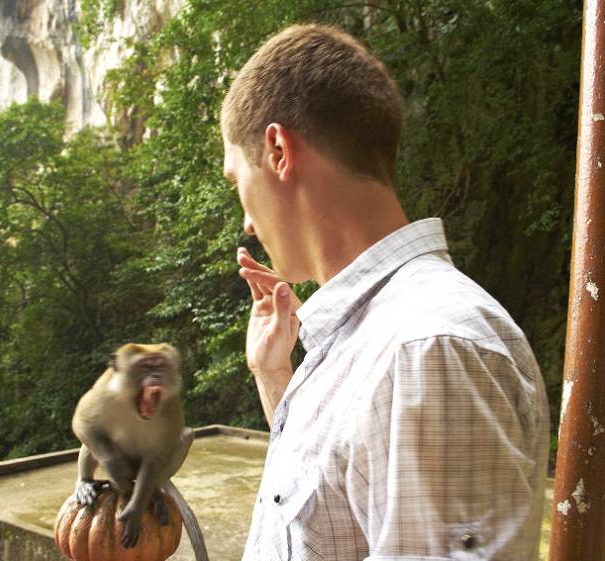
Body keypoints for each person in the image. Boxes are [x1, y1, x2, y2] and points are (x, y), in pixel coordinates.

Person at [221, 23, 550, 561]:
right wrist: (273, 372)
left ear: (278, 150)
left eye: (237, 181)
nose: (248, 224)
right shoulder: (376, 337)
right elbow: (330, 510)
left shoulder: (425, 349)